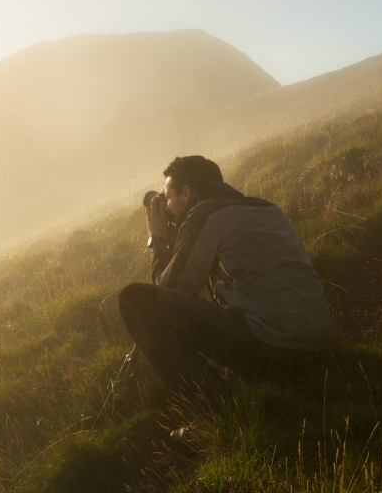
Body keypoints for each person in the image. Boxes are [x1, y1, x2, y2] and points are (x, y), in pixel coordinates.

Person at [117, 155, 336, 404]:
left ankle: (219, 409)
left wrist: (157, 241)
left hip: (277, 350)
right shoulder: (266, 207)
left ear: (186, 193)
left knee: (133, 300)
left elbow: (169, 291)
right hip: (321, 343)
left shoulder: (204, 215)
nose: (166, 208)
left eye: (168, 198)